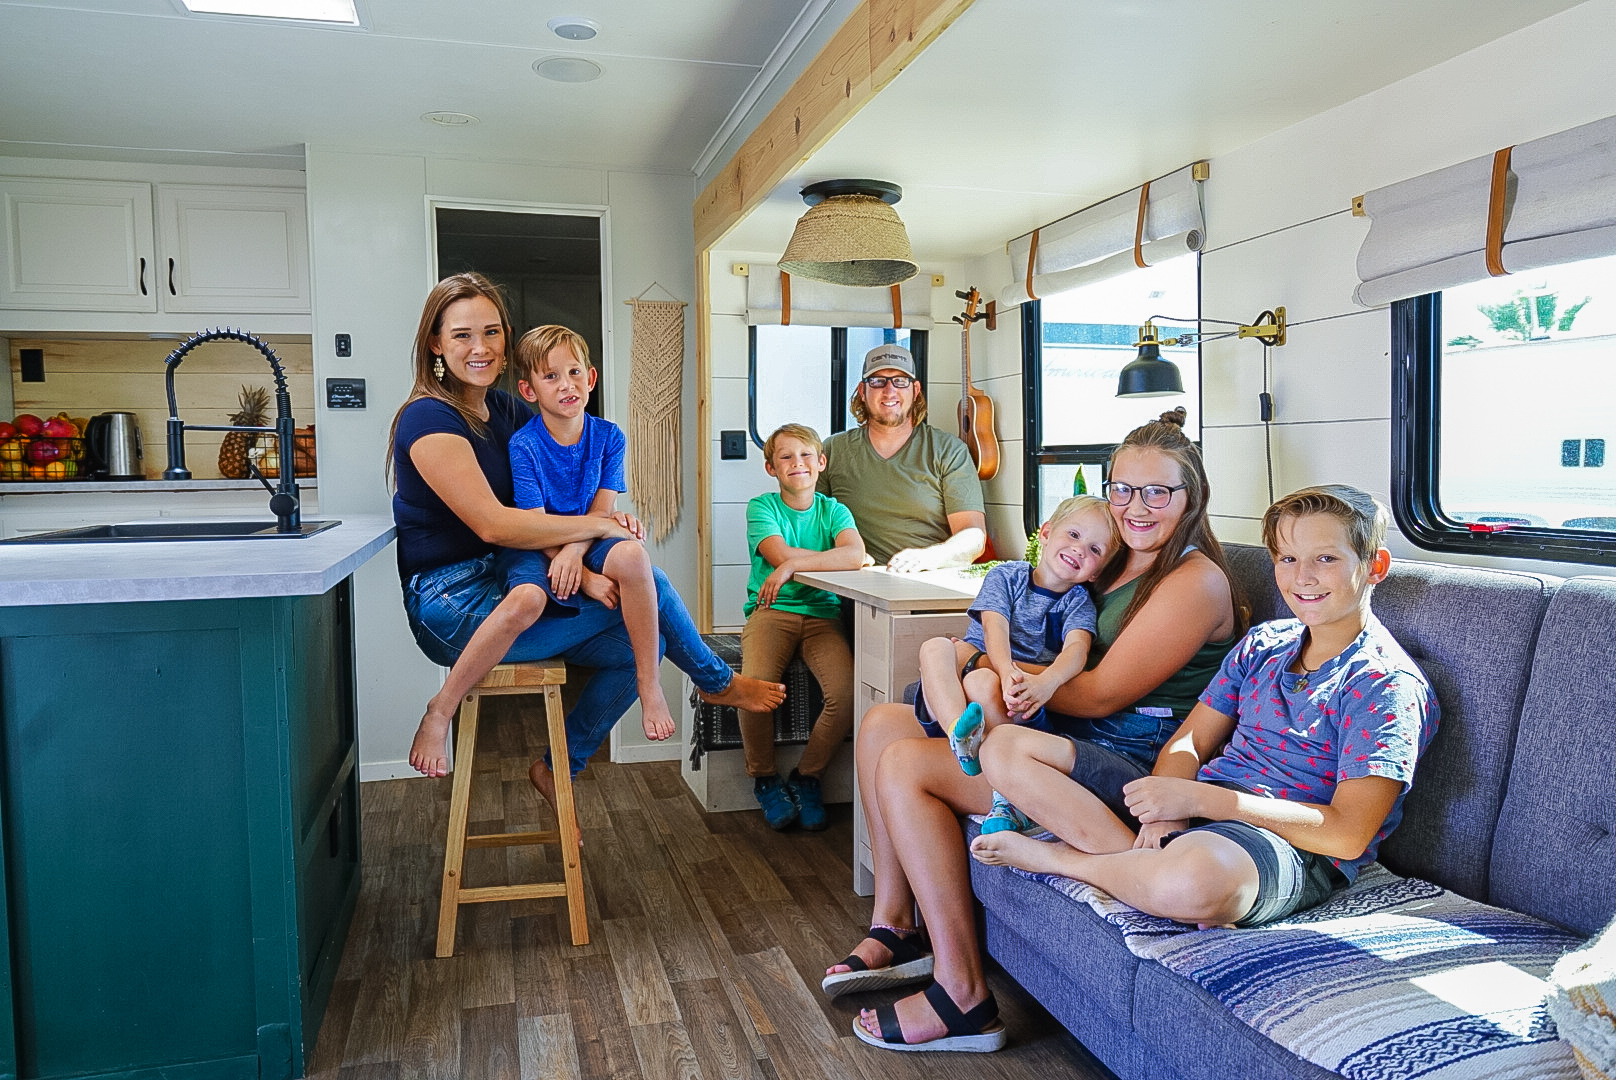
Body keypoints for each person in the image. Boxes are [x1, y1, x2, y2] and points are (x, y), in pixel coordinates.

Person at [823, 408, 1242, 1054]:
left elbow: (1102, 693)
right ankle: (898, 922)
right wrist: (978, 660)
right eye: (1123, 488)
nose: (1136, 505)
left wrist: (996, 671)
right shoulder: (1119, 557)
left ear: (1193, 497)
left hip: (1120, 757)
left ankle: (962, 993)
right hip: (1060, 728)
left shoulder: (1195, 580)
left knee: (905, 765)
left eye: (1158, 491)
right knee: (881, 723)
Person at [972, 485, 1440, 934]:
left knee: (1195, 879)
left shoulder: (1384, 685)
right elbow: (1190, 741)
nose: (1303, 578)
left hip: (1286, 841)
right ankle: (1146, 866)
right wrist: (1166, 811)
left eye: (1327, 559)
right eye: (1288, 559)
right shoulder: (1264, 644)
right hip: (1198, 805)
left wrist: (1198, 801)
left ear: (1375, 566)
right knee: (1005, 747)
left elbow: (1348, 835)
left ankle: (1068, 862)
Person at [393, 274, 783, 812]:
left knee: (639, 643)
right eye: (461, 336)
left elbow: (567, 453)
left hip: (514, 572)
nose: (479, 348)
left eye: (490, 332)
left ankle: (558, 766)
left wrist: (595, 544)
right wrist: (600, 528)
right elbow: (495, 525)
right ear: (436, 344)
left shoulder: (505, 411)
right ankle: (714, 680)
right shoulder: (427, 418)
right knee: (648, 583)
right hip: (454, 603)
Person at [919, 494, 1121, 836]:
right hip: (989, 670)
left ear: (1097, 572)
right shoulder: (1006, 576)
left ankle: (1006, 799)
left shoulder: (1078, 603)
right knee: (935, 647)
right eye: (1073, 535)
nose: (1079, 550)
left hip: (1017, 703)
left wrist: (1047, 683)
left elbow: (1076, 651)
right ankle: (960, 736)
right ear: (1045, 532)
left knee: (983, 683)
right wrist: (1005, 666)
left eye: (1094, 550)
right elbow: (994, 625)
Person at [738, 424, 865, 831]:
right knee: (755, 686)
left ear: (821, 462)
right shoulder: (762, 507)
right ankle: (764, 778)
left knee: (847, 694)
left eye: (806, 455)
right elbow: (778, 552)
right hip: (770, 610)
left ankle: (806, 776)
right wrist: (792, 559)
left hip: (823, 616)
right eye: (786, 457)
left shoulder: (834, 510)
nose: (798, 463)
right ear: (770, 467)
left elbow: (855, 555)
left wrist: (793, 564)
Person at [818, 343, 986, 570]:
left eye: (900, 381)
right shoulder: (833, 450)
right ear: (862, 391)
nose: (889, 391)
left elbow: (973, 536)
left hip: (926, 582)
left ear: (915, 390)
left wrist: (930, 557)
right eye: (878, 381)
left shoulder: (948, 450)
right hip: (853, 583)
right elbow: (807, 522)